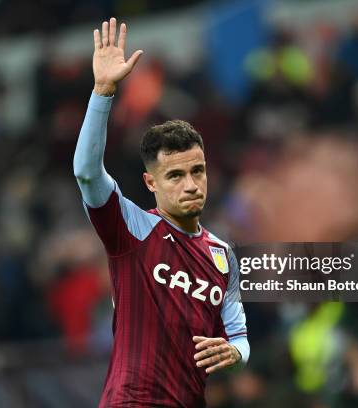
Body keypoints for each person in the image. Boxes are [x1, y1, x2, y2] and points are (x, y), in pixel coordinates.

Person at [73, 18, 249, 407]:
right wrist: (102, 92)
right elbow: (86, 173)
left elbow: (238, 337)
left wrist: (236, 354)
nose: (190, 184)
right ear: (151, 183)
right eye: (175, 175)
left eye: (197, 171)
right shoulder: (131, 230)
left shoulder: (222, 256)